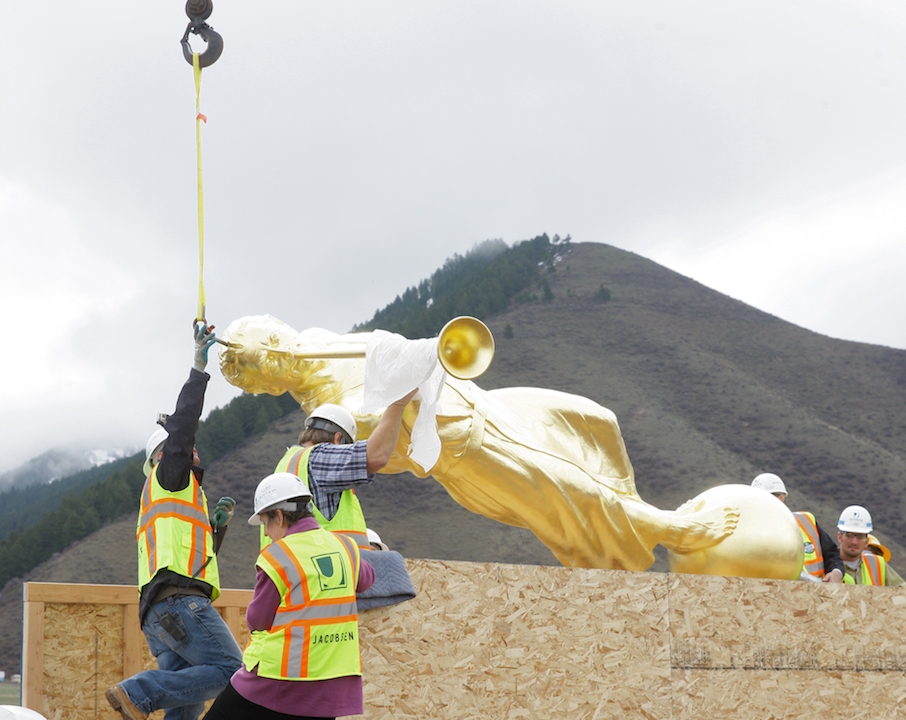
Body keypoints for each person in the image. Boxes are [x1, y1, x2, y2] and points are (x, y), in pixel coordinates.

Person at [218, 314, 739, 572]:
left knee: (593, 421)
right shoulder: (322, 408)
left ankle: (636, 508)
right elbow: (382, 455)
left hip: (474, 400)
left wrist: (409, 354)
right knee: (570, 494)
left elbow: (386, 350)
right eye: (272, 364)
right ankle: (674, 530)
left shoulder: (317, 343)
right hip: (463, 450)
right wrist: (392, 397)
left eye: (277, 341)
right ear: (269, 383)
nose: (286, 352)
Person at [106, 322, 243, 720]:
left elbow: (188, 559)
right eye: (182, 448)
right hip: (180, 605)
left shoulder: (168, 495)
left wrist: (216, 530)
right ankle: (140, 692)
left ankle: (144, 695)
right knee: (231, 671)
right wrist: (198, 368)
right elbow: (183, 425)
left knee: (184, 709)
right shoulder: (169, 477)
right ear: (164, 456)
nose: (190, 449)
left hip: (159, 614)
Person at [202, 472, 375, 720]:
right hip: (331, 682)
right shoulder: (346, 546)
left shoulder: (278, 556)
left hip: (279, 678)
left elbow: (257, 620)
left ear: (280, 516)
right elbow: (367, 580)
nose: (266, 533)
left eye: (265, 523)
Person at [265, 394, 416, 552]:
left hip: (291, 565)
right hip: (324, 566)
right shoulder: (318, 458)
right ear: (338, 439)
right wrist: (398, 404)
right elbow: (375, 456)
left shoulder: (287, 464)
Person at [750, 472, 844, 583]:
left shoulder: (806, 521)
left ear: (781, 499)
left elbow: (832, 554)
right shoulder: (749, 534)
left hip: (817, 592)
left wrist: (836, 572)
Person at [837, 505, 906, 587]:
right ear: (840, 537)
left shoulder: (877, 565)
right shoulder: (827, 565)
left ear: (866, 541)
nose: (854, 542)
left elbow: (902, 590)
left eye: (860, 536)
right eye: (849, 535)